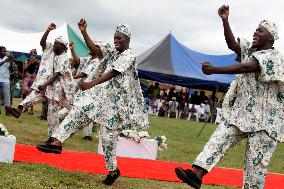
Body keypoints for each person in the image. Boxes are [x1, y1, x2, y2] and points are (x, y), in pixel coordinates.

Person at [175, 5, 284, 189]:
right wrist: (225, 20)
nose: (255, 32)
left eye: (260, 30)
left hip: (267, 122)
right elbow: (232, 44)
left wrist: (215, 70)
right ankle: (197, 174)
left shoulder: (275, 57)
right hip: (243, 114)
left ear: (270, 38)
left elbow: (247, 67)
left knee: (255, 168)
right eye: (255, 28)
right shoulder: (251, 50)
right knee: (220, 138)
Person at [36, 19, 149, 185]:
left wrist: (91, 83)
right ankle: (56, 142)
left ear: (128, 40)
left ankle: (113, 170)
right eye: (115, 38)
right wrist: (83, 31)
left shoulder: (129, 55)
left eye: (119, 38)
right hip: (101, 96)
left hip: (116, 104)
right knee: (79, 111)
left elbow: (113, 72)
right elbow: (95, 49)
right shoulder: (112, 50)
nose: (116, 41)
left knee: (107, 139)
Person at [16, 23, 76, 138]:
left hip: (59, 89)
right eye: (54, 43)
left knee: (53, 113)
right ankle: (20, 108)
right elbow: (42, 43)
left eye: (57, 44)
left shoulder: (64, 58)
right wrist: (48, 30)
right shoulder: (51, 50)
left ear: (63, 47)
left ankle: (54, 136)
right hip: (49, 85)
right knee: (36, 95)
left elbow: (57, 73)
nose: (54, 45)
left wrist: (45, 85)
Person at [0, 46, 19, 118]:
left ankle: (8, 111)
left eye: (5, 51)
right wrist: (4, 61)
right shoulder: (5, 60)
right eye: (3, 51)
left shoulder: (8, 59)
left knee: (7, 97)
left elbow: (12, 67)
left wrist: (11, 59)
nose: (4, 52)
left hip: (5, 80)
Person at [22, 49, 40, 115]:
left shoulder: (38, 61)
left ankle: (31, 110)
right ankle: (25, 107)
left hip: (33, 79)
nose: (33, 55)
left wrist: (37, 62)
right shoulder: (26, 61)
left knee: (31, 94)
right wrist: (30, 63)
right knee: (24, 93)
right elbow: (24, 69)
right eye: (32, 54)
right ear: (30, 55)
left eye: (35, 54)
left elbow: (41, 67)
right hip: (27, 78)